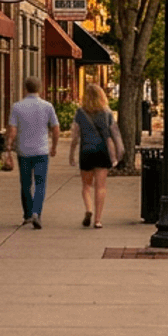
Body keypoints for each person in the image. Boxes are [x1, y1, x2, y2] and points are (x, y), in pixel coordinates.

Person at [6, 78, 61, 229]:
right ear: (40, 89)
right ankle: (37, 212)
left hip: (23, 151)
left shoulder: (17, 107)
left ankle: (28, 214)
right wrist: (54, 146)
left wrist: (8, 147)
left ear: (25, 88)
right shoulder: (47, 106)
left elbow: (12, 130)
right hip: (41, 151)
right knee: (40, 183)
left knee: (25, 184)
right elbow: (55, 128)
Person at [69, 82, 122, 227]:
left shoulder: (80, 113)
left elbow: (75, 137)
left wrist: (71, 154)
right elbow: (115, 134)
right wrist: (118, 153)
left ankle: (89, 209)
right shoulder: (107, 113)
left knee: (86, 186)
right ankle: (98, 220)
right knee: (101, 186)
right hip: (102, 151)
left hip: (86, 151)